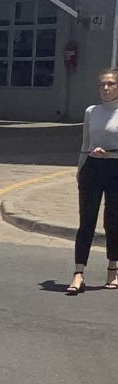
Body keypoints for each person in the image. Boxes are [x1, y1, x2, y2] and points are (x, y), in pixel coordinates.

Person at [68, 69, 118, 294]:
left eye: (111, 84)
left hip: (115, 168)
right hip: (92, 168)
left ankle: (113, 268)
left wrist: (109, 152)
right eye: (102, 85)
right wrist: (80, 169)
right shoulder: (91, 111)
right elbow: (85, 143)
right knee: (86, 221)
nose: (106, 89)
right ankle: (79, 273)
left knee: (113, 221)